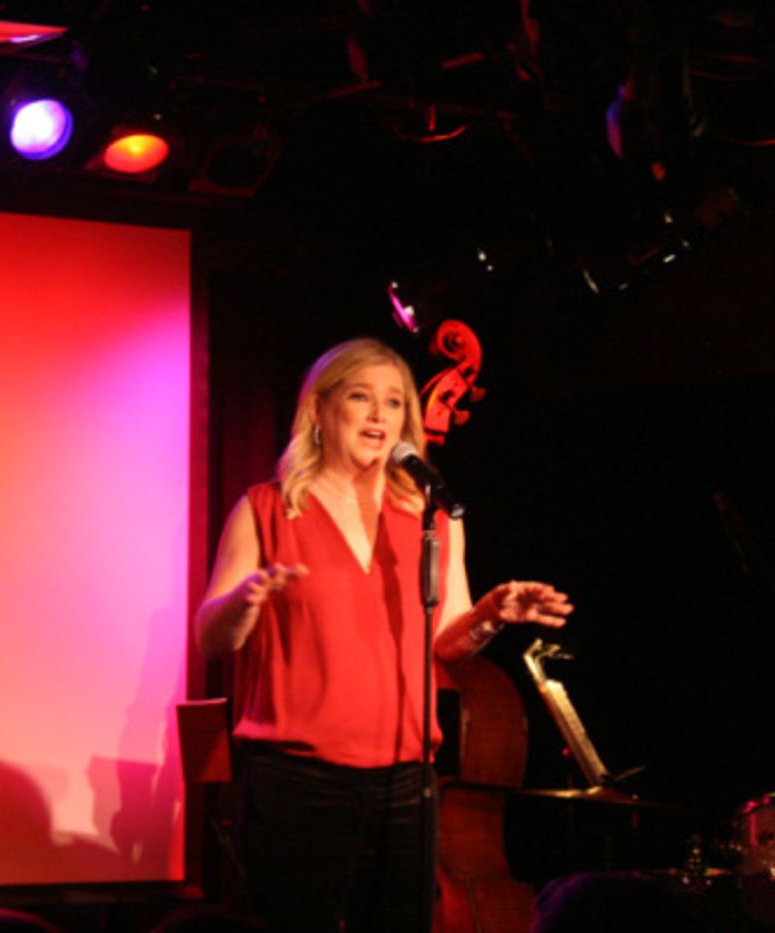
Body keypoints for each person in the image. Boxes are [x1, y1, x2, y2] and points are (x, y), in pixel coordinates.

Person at [194, 337, 573, 933]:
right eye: (360, 397)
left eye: (393, 403)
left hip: (405, 786)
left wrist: (491, 615)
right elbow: (210, 639)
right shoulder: (266, 509)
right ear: (319, 411)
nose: (378, 415)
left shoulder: (431, 516)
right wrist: (242, 605)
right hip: (297, 785)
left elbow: (447, 642)